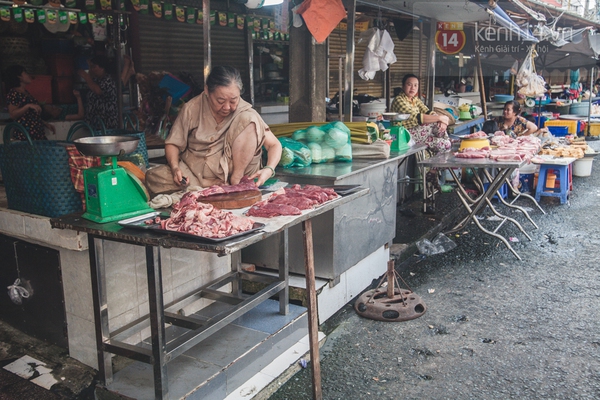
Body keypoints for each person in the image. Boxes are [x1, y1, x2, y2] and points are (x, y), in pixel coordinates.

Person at [145, 66, 282, 194]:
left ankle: (235, 184)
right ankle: (207, 187)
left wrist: (268, 170)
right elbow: (173, 143)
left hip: (235, 175)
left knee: (249, 119)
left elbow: (274, 145)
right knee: (153, 177)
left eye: (233, 100)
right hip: (195, 174)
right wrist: (175, 168)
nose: (227, 107)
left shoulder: (245, 112)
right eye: (220, 101)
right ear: (207, 91)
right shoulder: (192, 108)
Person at [390, 74, 451, 155]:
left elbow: (428, 111)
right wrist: (441, 118)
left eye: (415, 85)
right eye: (409, 85)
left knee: (443, 141)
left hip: (420, 134)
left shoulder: (415, 99)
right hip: (405, 134)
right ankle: (446, 141)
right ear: (403, 86)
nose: (413, 88)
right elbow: (417, 117)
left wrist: (442, 121)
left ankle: (445, 142)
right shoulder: (399, 100)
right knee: (433, 124)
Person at [4, 65, 55, 141]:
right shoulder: (14, 93)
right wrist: (27, 106)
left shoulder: (26, 92)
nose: (28, 75)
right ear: (19, 77)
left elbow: (30, 115)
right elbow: (13, 114)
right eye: (25, 73)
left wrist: (44, 123)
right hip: (25, 135)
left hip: (37, 134)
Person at [76, 55, 119, 130]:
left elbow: (98, 90)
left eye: (94, 67)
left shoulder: (108, 80)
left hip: (106, 123)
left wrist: (86, 77)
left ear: (102, 67)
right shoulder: (96, 80)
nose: (92, 70)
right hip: (95, 123)